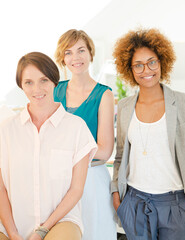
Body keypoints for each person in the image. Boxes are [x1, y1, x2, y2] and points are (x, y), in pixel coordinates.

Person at [0, 52, 97, 240]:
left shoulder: (76, 127)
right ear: (21, 86)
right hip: (8, 224)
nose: (37, 89)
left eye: (44, 80)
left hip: (60, 221)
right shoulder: (6, 130)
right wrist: (13, 234)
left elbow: (76, 190)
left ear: (54, 82)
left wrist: (42, 230)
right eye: (28, 82)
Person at [111, 28, 185, 240]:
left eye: (152, 62)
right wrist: (117, 195)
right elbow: (120, 155)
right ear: (130, 69)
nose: (146, 70)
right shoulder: (125, 106)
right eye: (138, 65)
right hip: (134, 203)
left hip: (177, 204)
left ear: (162, 62)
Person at [53, 29, 116, 240]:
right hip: (58, 181)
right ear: (63, 59)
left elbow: (105, 150)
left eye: (81, 50)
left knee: (93, 232)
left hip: (91, 181)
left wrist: (62, 153)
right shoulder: (53, 91)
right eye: (68, 52)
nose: (75, 57)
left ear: (90, 53)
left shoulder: (104, 94)